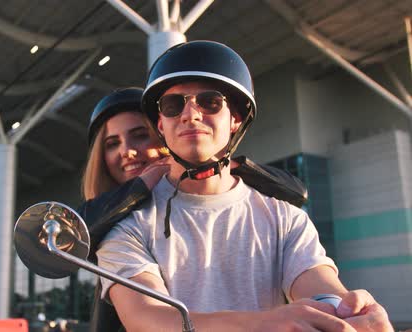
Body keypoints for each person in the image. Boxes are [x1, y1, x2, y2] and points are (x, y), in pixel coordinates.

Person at [95, 41, 392, 331]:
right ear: (161, 125)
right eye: (173, 105)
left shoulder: (284, 218)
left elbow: (318, 283)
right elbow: (149, 317)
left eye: (210, 102)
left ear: (235, 119)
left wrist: (347, 311)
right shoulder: (127, 226)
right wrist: (265, 323)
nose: (190, 114)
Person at [79, 88, 309, 331]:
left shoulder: (278, 215)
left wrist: (223, 163)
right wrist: (143, 184)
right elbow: (81, 230)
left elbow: (296, 192)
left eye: (139, 135)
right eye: (112, 143)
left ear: (162, 132)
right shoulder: (117, 226)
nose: (127, 151)